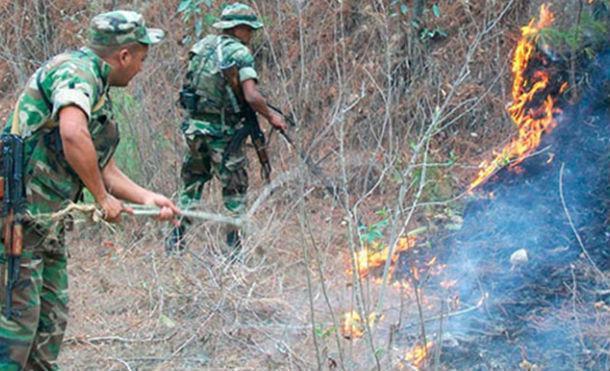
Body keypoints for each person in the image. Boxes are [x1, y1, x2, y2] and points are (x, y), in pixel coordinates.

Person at [0, 10, 179, 369]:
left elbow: (100, 165)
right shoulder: (75, 72)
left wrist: (145, 196)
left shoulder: (97, 86)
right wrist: (100, 198)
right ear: (123, 55)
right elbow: (72, 133)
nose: (142, 68)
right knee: (15, 331)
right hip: (17, 222)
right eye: (141, 58)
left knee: (48, 328)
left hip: (44, 225)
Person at [166, 3, 287, 255]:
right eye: (249, 30)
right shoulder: (239, 53)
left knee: (191, 186)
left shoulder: (201, 48)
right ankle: (234, 251)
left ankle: (175, 241)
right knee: (234, 191)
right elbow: (252, 96)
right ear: (239, 28)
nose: (251, 35)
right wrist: (273, 116)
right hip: (224, 134)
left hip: (195, 130)